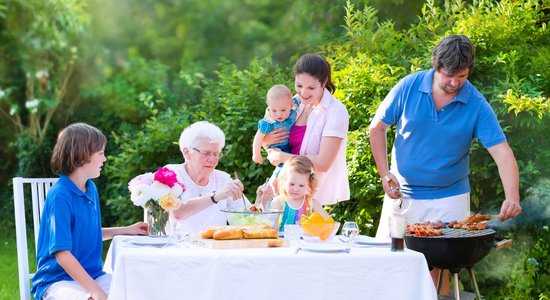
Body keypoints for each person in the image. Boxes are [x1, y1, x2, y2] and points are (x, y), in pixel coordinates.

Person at [369, 34, 521, 294]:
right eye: (448, 75)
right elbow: (377, 128)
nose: (454, 83)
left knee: (439, 271)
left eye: (461, 76)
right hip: (402, 197)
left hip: (449, 198)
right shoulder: (409, 86)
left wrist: (512, 196)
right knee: (389, 266)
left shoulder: (476, 104)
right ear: (435, 66)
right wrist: (385, 174)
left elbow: (502, 153)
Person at [32, 123, 148, 300]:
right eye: (101, 153)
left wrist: (127, 229)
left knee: (137, 290)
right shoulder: (60, 196)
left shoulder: (90, 188)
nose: (105, 159)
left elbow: (88, 234)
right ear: (83, 154)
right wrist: (95, 291)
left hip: (92, 275)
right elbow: (62, 254)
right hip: (57, 280)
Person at [264, 53, 350, 205]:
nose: (303, 93)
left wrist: (283, 157)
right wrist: (267, 142)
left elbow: (323, 163)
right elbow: (269, 139)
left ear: (324, 83)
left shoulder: (336, 112)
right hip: (281, 187)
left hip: (312, 197)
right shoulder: (293, 103)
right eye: (299, 86)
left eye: (311, 87)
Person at [167, 121, 251, 235]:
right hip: (178, 249)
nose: (213, 160)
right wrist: (217, 196)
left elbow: (245, 221)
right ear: (187, 152)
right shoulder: (171, 174)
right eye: (206, 153)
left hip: (216, 248)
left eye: (216, 154)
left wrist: (262, 201)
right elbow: (176, 212)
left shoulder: (223, 179)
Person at [270, 156, 329, 232]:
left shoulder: (311, 203)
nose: (296, 189)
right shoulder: (279, 202)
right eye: (291, 184)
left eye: (301, 185)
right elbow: (272, 228)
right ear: (284, 181)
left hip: (306, 242)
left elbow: (328, 222)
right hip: (284, 241)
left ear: (309, 184)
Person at [252, 84, 299, 165]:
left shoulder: (293, 106)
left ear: (291, 104)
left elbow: (299, 96)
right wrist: (256, 154)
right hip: (276, 148)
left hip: (290, 145)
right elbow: (258, 137)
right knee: (282, 163)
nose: (278, 114)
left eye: (283, 110)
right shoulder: (268, 122)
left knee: (293, 163)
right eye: (274, 110)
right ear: (268, 105)